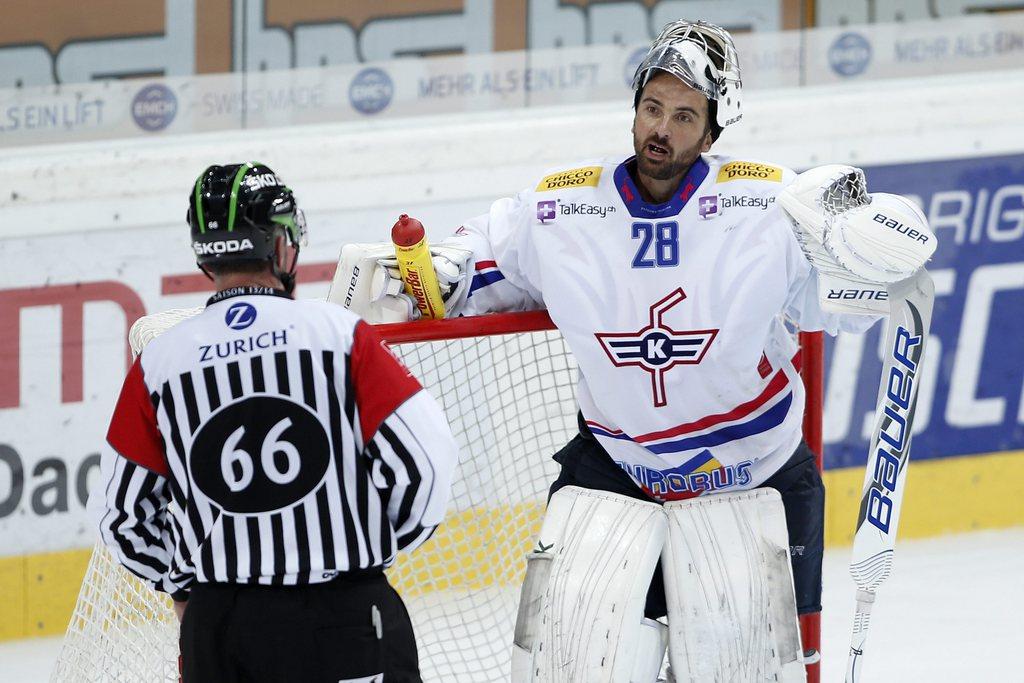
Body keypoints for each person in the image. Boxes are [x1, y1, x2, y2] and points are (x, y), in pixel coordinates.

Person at [336, 20, 935, 682]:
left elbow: (857, 290)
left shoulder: (767, 205)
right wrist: (434, 272)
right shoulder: (562, 211)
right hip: (618, 467)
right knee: (562, 663)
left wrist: (881, 243)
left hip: (753, 473)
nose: (661, 129)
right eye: (652, 107)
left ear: (711, 133)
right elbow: (478, 260)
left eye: (684, 116)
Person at [91, 162, 458, 683]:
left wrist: (189, 588)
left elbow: (122, 516)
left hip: (218, 632)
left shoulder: (161, 360)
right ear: (282, 243)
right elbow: (425, 463)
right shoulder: (340, 336)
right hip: (342, 617)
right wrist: (362, 551)